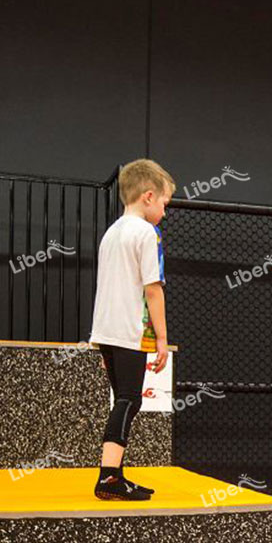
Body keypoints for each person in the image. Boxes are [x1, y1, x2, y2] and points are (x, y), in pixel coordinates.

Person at [88, 159, 174, 500]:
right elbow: (153, 289)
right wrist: (163, 340)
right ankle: (109, 476)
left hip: (106, 330)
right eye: (165, 205)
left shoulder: (112, 233)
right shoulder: (146, 233)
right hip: (129, 330)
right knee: (129, 399)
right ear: (149, 197)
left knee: (123, 399)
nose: (165, 214)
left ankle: (115, 474)